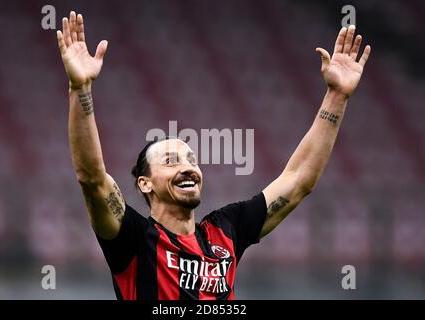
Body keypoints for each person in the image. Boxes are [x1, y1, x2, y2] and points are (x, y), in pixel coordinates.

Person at [56, 11, 371, 300]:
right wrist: (80, 87)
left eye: (192, 160)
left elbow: (298, 180)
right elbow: (92, 178)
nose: (188, 167)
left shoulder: (226, 229)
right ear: (145, 184)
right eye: (171, 161)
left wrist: (337, 96)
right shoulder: (133, 239)